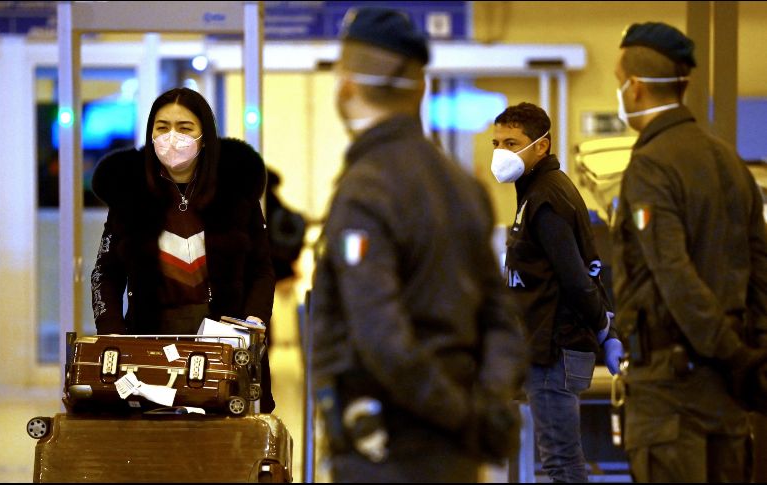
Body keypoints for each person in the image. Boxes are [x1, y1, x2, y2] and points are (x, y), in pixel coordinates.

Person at [309, 6, 528, 482]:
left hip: (387, 453)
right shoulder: (463, 186)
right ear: (421, 88)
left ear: (346, 85)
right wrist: (485, 408)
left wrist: (458, 416)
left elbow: (381, 337)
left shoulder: (365, 191)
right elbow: (501, 321)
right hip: (457, 454)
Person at [611, 22, 767, 482]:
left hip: (671, 398)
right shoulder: (730, 161)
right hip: (728, 400)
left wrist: (730, 353)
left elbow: (673, 275)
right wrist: (751, 358)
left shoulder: (650, 165)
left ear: (635, 87)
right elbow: (761, 269)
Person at [90, 87, 277, 413]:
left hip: (225, 345)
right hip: (150, 345)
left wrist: (252, 324)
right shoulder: (130, 197)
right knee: (155, 436)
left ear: (204, 137)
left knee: (225, 437)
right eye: (162, 127)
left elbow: (261, 270)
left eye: (185, 127)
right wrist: (113, 334)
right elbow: (105, 273)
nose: (172, 137)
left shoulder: (236, 193)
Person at [491, 102, 623, 483]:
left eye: (511, 143)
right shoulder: (537, 192)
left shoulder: (546, 199)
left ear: (541, 146)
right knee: (558, 460)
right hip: (544, 348)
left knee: (561, 463)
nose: (500, 152)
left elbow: (577, 277)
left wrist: (605, 330)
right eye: (496, 143)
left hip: (555, 350)